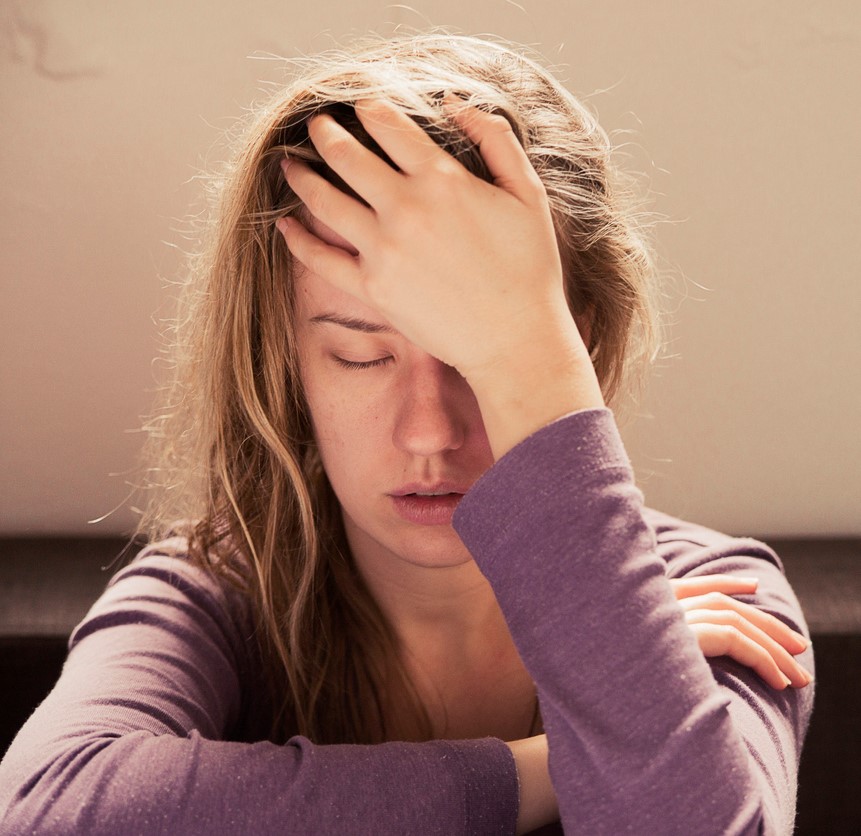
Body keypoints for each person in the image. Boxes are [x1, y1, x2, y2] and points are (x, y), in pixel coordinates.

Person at [0, 33, 813, 835]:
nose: (428, 432)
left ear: (580, 346)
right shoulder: (216, 592)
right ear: (287, 362)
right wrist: (550, 761)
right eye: (359, 354)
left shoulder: (715, 596)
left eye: (476, 357)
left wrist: (531, 359)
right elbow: (48, 810)